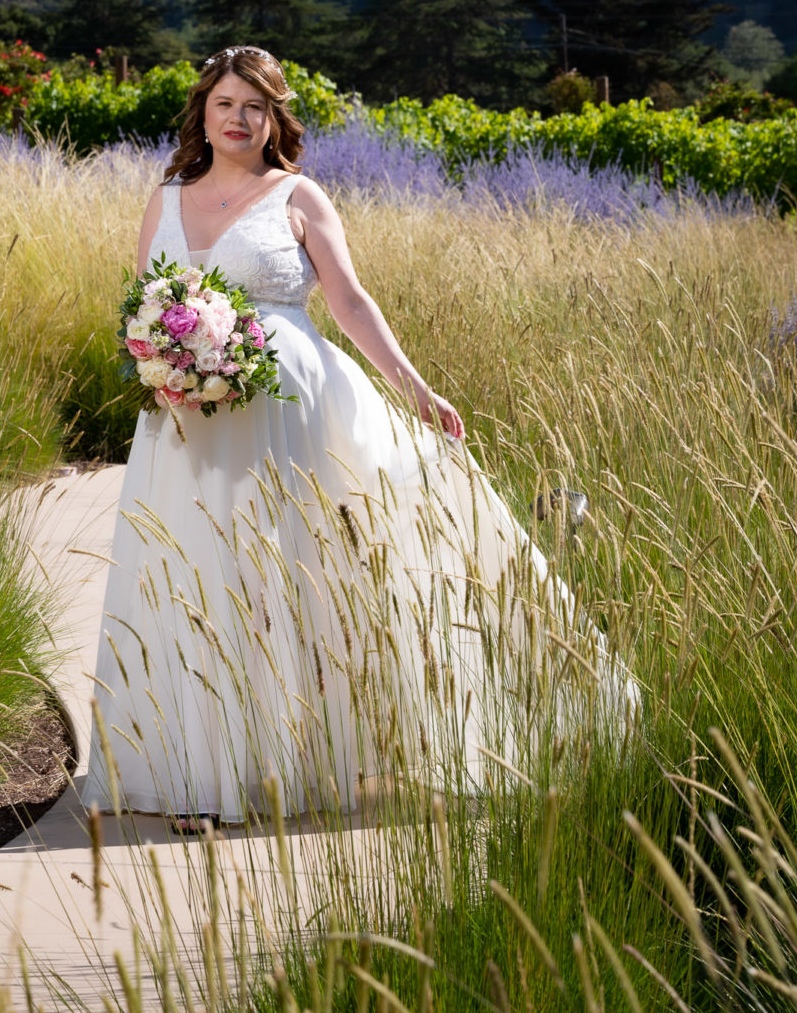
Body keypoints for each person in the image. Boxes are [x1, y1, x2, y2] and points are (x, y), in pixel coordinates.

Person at [83, 46, 636, 828]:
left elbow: (348, 300)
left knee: (290, 575)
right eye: (225, 105)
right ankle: (196, 765)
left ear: (274, 117)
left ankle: (293, 757)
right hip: (186, 417)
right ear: (202, 115)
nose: (239, 119)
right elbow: (147, 299)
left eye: (255, 106)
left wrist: (416, 387)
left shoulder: (299, 195)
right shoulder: (167, 196)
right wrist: (162, 366)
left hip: (287, 409)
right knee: (195, 571)